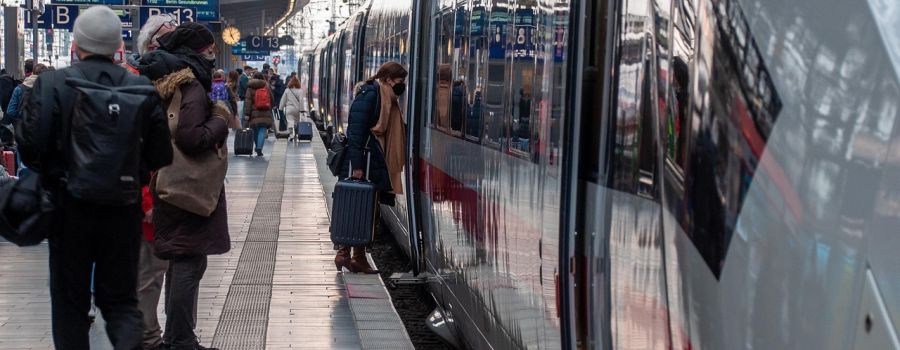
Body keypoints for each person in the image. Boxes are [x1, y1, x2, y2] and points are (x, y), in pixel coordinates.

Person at [17, 6, 173, 349]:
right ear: (118, 44)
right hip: (123, 210)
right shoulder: (141, 89)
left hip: (66, 210)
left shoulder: (52, 84)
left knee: (70, 303)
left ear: (76, 43)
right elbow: (161, 155)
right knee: (120, 302)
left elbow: (30, 146)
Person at [135, 21, 230, 350]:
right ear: (196, 51)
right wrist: (220, 118)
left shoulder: (163, 80)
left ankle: (178, 337)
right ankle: (180, 340)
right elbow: (191, 138)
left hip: (165, 184)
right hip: (185, 188)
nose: (213, 55)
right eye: (209, 49)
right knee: (188, 260)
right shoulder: (190, 85)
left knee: (179, 260)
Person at [337, 61, 408, 274]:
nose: (401, 86)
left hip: (375, 161)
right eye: (399, 82)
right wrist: (357, 165)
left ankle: (355, 256)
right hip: (365, 162)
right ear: (386, 79)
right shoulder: (370, 95)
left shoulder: (388, 98)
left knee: (367, 209)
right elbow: (355, 133)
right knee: (357, 207)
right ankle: (344, 254)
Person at [244, 72, 274, 157]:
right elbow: (271, 98)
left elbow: (248, 101)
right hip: (265, 111)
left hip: (254, 113)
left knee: (255, 130)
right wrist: (270, 107)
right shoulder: (266, 86)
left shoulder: (250, 88)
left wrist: (247, 113)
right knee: (262, 130)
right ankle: (259, 148)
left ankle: (257, 146)